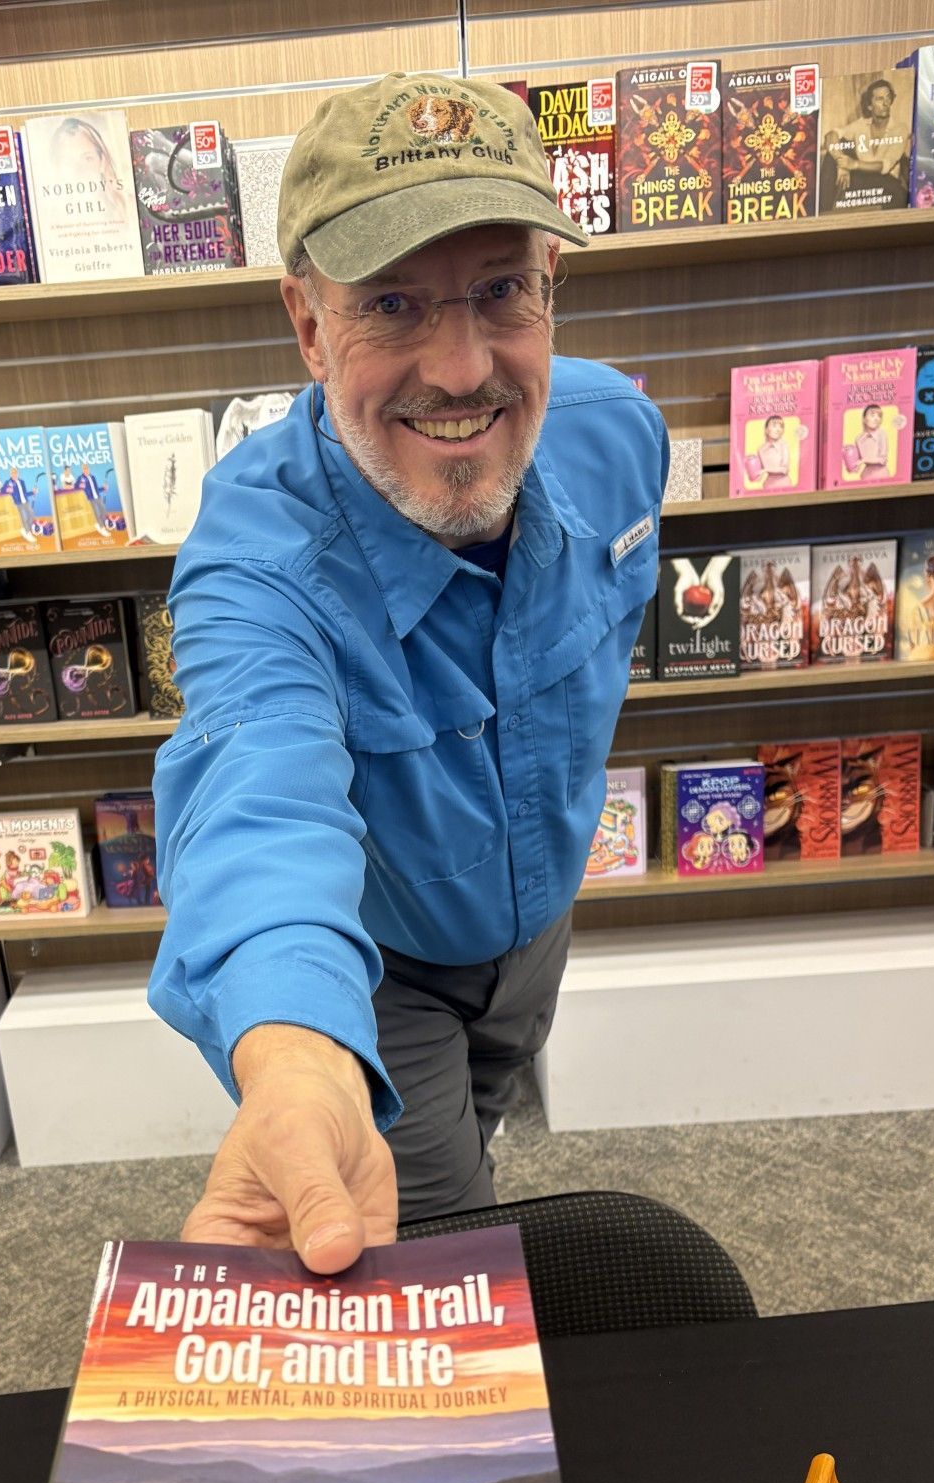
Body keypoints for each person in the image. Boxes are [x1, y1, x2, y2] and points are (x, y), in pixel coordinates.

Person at [149, 73, 667, 1272]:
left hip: (538, 928)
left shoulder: (613, 434)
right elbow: (252, 798)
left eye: (500, 290)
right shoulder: (256, 566)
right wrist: (293, 1057)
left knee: (476, 1145)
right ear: (308, 323)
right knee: (434, 1255)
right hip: (379, 981)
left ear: (553, 285)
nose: (458, 367)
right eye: (392, 303)